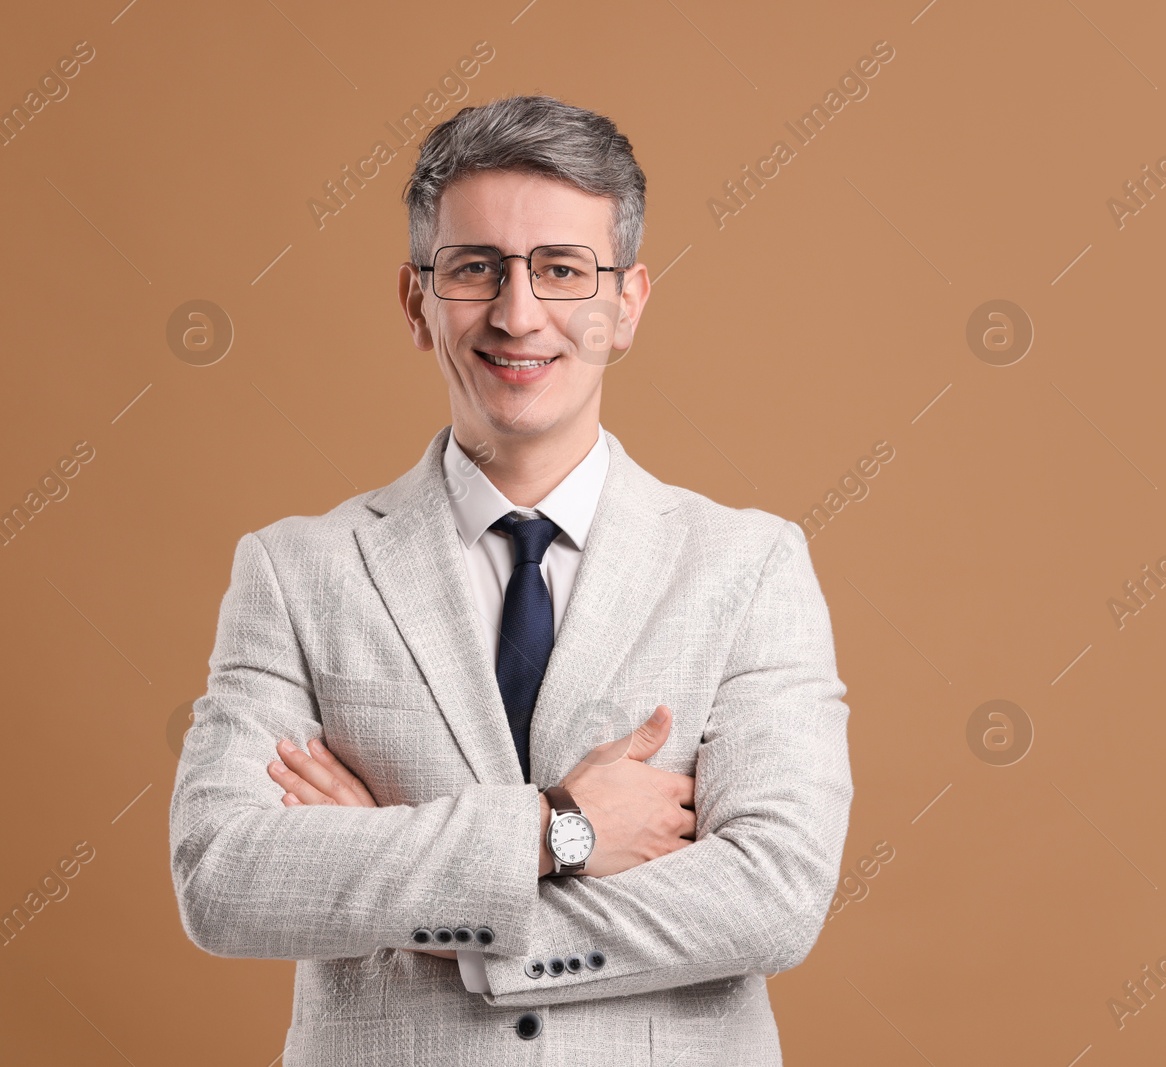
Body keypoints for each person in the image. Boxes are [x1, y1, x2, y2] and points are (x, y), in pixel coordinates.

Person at [168, 94, 853, 1066]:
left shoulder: (747, 565)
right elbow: (226, 873)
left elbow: (772, 894)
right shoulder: (295, 569)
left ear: (626, 305)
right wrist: (558, 829)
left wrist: (432, 910)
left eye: (564, 271)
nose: (518, 312)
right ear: (417, 301)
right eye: (475, 267)